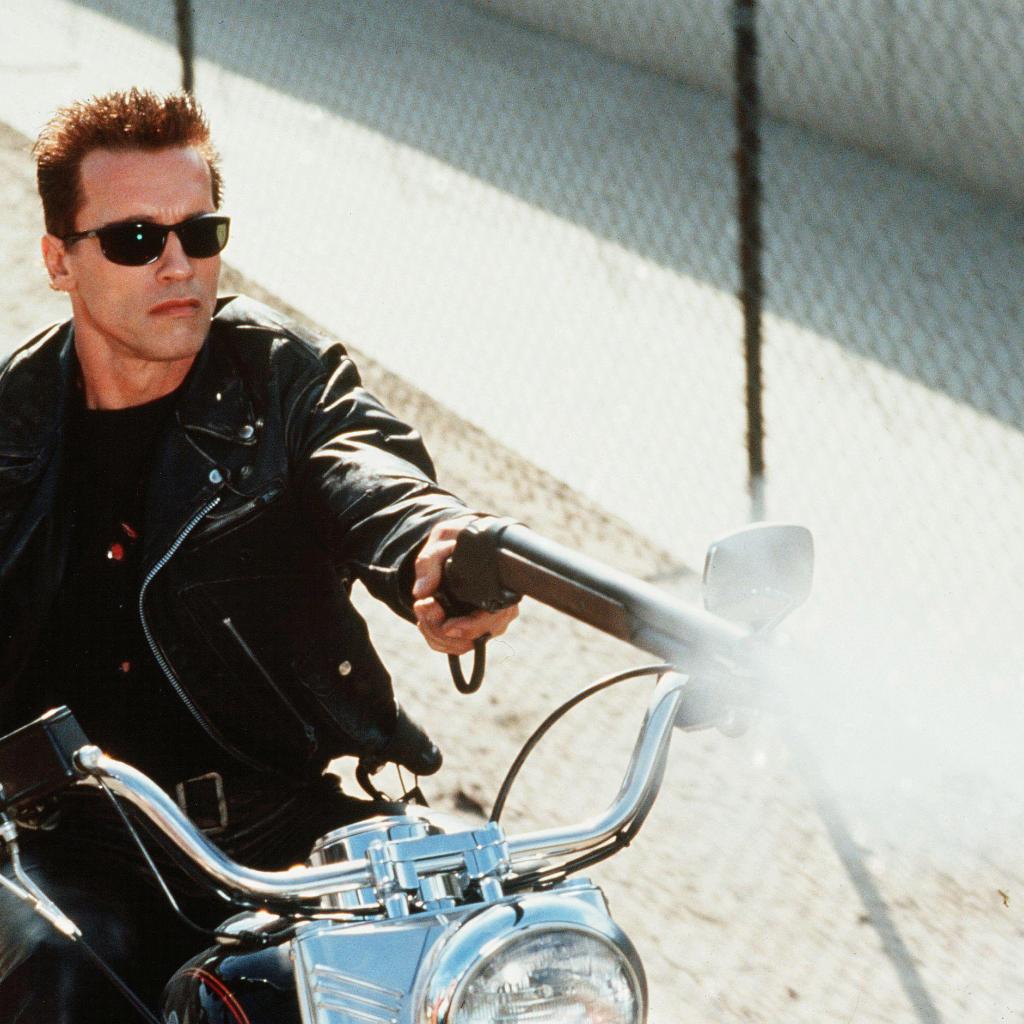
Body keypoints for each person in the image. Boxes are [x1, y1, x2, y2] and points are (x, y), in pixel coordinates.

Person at [0, 87, 517, 1021]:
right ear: (58, 260)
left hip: (284, 825)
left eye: (201, 233)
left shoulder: (283, 381)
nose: (178, 265)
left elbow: (368, 472)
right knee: (59, 978)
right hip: (72, 844)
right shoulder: (13, 421)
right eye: (135, 240)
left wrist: (435, 547)